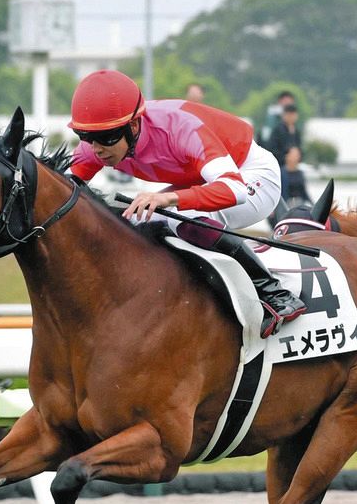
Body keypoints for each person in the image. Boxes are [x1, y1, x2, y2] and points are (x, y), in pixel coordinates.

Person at [67, 70, 305, 337]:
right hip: (201, 180)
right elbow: (62, 191)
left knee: (180, 215)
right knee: (132, 221)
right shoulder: (96, 145)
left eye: (107, 137)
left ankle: (274, 292)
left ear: (133, 126)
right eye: (86, 136)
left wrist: (168, 198)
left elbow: (234, 189)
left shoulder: (180, 128)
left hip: (251, 176)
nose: (96, 149)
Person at [266, 101, 305, 206]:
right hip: (281, 165)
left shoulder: (296, 132)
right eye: (289, 114)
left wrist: (296, 156)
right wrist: (286, 157)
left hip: (294, 166)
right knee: (284, 176)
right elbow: (271, 150)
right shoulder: (278, 130)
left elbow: (300, 149)